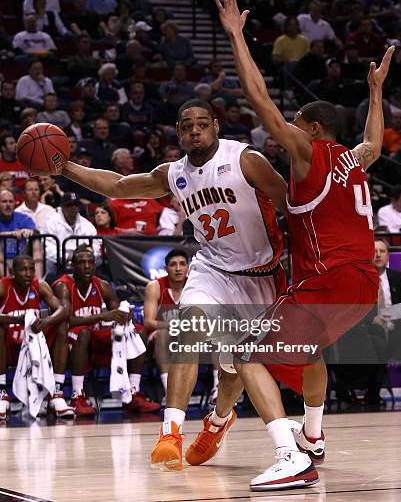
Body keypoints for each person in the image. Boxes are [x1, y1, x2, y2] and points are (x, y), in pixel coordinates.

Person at [215, 0, 392, 490]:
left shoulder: (310, 155)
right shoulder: (354, 162)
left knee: (245, 355)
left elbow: (260, 100)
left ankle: (290, 458)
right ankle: (312, 436)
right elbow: (375, 143)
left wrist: (236, 37)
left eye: (295, 126)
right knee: (310, 353)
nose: (285, 130)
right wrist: (376, 92)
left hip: (328, 280)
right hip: (361, 286)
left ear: (313, 131)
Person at [59, 97, 288, 474]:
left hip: (261, 275)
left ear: (216, 126)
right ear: (178, 132)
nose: (194, 130)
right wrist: (65, 167)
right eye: (186, 126)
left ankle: (218, 421)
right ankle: (171, 432)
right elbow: (117, 185)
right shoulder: (173, 173)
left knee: (234, 370)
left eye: (201, 123)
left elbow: (288, 203)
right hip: (212, 269)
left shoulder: (245, 160)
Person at [52, 245, 160, 415]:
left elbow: (116, 312)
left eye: (90, 262)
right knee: (83, 332)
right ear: (72, 266)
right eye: (81, 262)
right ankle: (77, 394)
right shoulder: (63, 286)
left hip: (95, 338)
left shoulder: (103, 285)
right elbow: (65, 320)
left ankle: (133, 391)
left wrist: (125, 314)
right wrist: (102, 317)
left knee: (138, 331)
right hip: (68, 341)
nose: (87, 266)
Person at [0, 255, 73, 419]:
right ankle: (2, 392)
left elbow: (63, 309)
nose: (28, 273)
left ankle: (57, 393)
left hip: (35, 348)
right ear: (12, 272)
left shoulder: (39, 285)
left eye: (31, 269)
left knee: (61, 324)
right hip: (10, 346)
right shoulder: (3, 286)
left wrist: (46, 321)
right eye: (23, 270)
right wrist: (15, 320)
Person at [143, 249, 189, 399]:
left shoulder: (194, 286)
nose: (178, 268)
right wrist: (175, 326)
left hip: (188, 337)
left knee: (216, 335)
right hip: (161, 338)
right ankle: (169, 390)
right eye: (173, 265)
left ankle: (216, 388)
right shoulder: (155, 286)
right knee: (162, 335)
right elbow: (148, 322)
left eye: (182, 264)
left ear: (188, 267)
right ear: (165, 269)